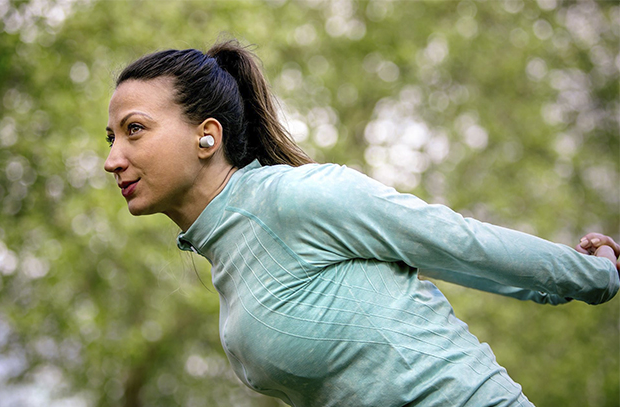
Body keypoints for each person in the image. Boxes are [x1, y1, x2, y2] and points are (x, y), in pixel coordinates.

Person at [104, 40, 620, 407]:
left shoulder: (294, 198)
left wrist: (596, 273)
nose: (113, 160)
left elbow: (459, 242)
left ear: (207, 135)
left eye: (135, 131)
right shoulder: (227, 256)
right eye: (111, 139)